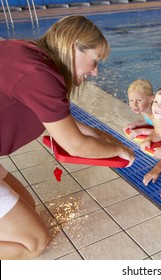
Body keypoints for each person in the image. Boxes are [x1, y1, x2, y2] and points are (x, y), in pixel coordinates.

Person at [0, 15, 135, 259]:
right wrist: (120, 151)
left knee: (27, 205)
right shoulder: (38, 74)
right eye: (94, 61)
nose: (95, 72)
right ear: (73, 46)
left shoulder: (30, 54)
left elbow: (52, 118)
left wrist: (96, 133)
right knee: (34, 243)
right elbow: (75, 145)